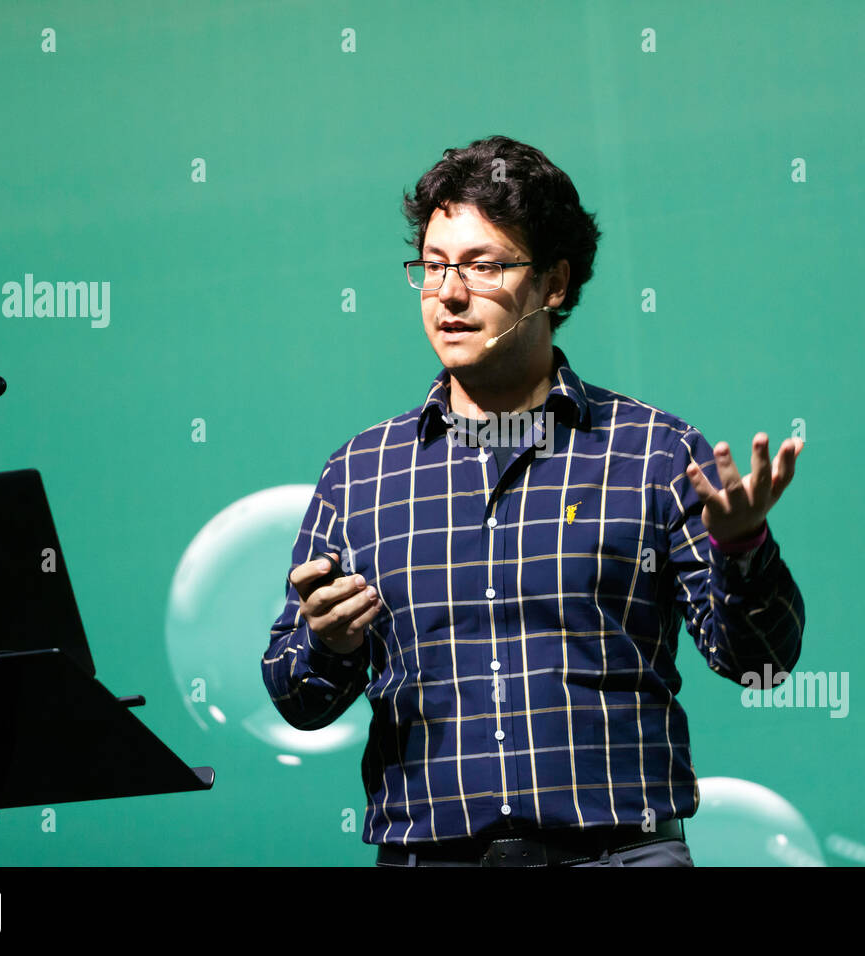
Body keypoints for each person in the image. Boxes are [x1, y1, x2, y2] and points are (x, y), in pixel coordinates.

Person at [262, 135, 806, 867]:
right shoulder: (360, 475)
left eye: (483, 267)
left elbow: (758, 664)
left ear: (553, 283)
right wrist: (329, 644)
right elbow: (298, 701)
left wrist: (741, 547)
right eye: (433, 267)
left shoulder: (653, 452)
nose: (450, 294)